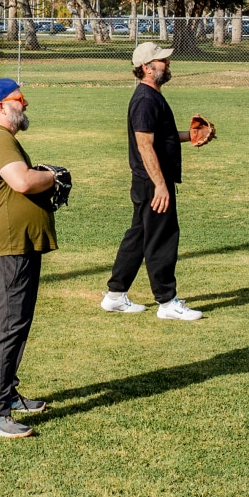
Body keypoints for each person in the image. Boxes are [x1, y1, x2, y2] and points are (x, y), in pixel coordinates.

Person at [0, 78, 58, 438]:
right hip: (5, 249)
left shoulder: (3, 140)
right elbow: (21, 181)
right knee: (6, 328)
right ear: (1, 107)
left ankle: (7, 394)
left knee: (15, 325)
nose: (25, 104)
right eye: (19, 99)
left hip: (16, 245)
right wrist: (52, 176)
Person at [101, 42, 204, 320]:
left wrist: (191, 135)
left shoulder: (152, 96)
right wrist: (160, 185)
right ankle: (167, 302)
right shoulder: (145, 100)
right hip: (152, 181)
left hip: (148, 181)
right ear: (147, 68)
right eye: (162, 61)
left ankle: (114, 295)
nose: (168, 64)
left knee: (140, 236)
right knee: (162, 237)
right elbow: (145, 146)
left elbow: (161, 137)